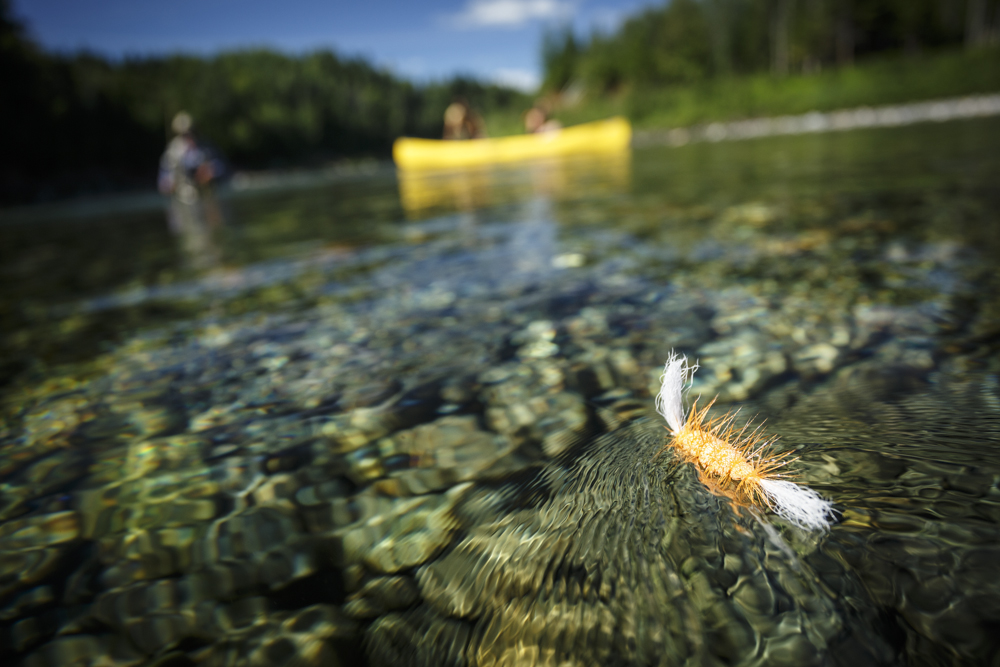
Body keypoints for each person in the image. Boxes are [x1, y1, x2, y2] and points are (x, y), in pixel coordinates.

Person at [158, 112, 226, 270]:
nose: (188, 136)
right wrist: (170, 184)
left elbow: (223, 168)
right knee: (191, 237)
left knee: (213, 235)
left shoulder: (206, 148)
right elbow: (162, 182)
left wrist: (210, 172)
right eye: (184, 133)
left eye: (190, 132)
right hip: (183, 205)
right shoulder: (171, 154)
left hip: (207, 200)